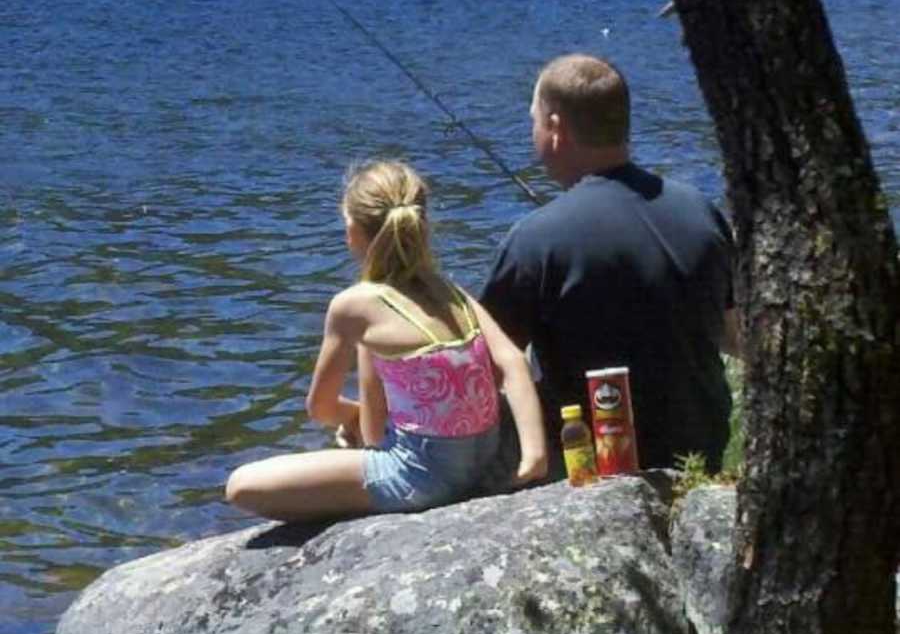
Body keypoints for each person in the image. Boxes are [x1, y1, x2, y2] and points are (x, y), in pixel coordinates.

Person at [226, 160, 548, 522]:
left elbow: (323, 409)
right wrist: (533, 454)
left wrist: (354, 418)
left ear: (352, 232)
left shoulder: (353, 306)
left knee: (241, 485)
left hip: (421, 476)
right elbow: (514, 362)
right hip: (483, 461)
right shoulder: (452, 293)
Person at [481, 54, 740, 474]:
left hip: (596, 462)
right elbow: (734, 336)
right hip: (701, 447)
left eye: (534, 121)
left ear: (555, 128)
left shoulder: (534, 240)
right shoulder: (700, 211)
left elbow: (484, 370)